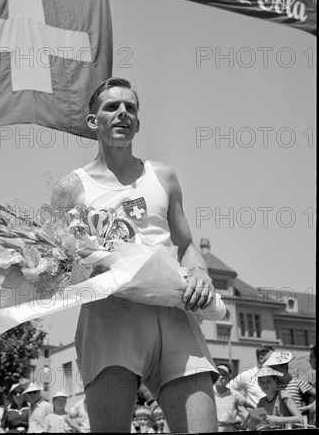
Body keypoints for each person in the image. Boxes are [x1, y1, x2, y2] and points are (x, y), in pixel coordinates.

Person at [51, 78, 219, 433]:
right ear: (93, 122)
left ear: (138, 124)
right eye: (112, 107)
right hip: (109, 319)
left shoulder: (163, 176)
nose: (123, 113)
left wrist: (201, 273)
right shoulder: (70, 188)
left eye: (130, 108)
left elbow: (187, 246)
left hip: (173, 313)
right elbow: (55, 262)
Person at [263, 350, 316, 422]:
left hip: (296, 424)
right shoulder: (275, 386)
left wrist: (310, 406)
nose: (272, 372)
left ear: (284, 368)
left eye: (275, 369)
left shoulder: (298, 382)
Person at [248, 366, 303, 430]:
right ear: (258, 383)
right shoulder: (261, 402)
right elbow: (254, 426)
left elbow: (300, 418)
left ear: (276, 382)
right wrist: (252, 423)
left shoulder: (283, 396)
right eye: (262, 382)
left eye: (268, 381)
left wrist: (278, 419)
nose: (265, 385)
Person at [213, 364, 250, 431]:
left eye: (224, 375)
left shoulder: (234, 394)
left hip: (231, 429)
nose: (221, 377)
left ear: (229, 379)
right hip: (214, 429)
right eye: (218, 374)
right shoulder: (209, 394)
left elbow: (252, 407)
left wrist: (245, 424)